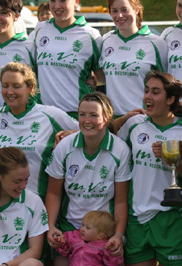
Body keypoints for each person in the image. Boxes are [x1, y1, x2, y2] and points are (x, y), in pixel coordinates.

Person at [116, 71, 182, 266]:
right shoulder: (134, 125)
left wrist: (170, 159)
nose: (148, 97)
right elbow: (107, 140)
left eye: (155, 92)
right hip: (137, 218)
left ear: (171, 99)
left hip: (171, 219)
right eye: (146, 91)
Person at [45, 92, 130, 265]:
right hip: (69, 228)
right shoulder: (65, 146)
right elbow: (53, 193)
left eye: (93, 115)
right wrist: (51, 226)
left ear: (107, 117)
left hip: (103, 231)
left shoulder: (120, 149)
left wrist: (118, 235)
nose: (86, 120)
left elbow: (121, 201)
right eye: (82, 114)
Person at [0, 62, 79, 199]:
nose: (10, 92)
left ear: (30, 88)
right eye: (5, 86)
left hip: (40, 201)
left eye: (16, 86)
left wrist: (72, 133)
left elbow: (92, 129)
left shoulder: (51, 115)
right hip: (2, 202)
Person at [33, 0, 101, 118]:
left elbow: (106, 76)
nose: (57, 6)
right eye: (52, 0)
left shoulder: (91, 35)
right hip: (43, 115)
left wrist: (95, 80)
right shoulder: (40, 30)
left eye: (63, 0)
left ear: (76, 2)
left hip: (77, 115)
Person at [96, 0, 168, 118]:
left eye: (124, 10)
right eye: (114, 11)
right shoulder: (105, 41)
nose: (119, 15)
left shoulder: (157, 43)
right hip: (113, 120)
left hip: (144, 119)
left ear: (136, 9)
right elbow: (102, 76)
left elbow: (167, 84)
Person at [55, 211, 124, 266]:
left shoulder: (104, 246)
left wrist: (112, 252)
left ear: (100, 235)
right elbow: (64, 250)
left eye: (87, 228)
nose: (82, 229)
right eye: (83, 225)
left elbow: (114, 263)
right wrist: (60, 242)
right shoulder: (75, 237)